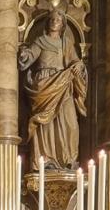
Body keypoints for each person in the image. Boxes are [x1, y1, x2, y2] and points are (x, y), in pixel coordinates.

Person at [17, 9, 87, 168]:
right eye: (52, 19)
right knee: (45, 124)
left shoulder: (66, 43)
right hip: (44, 84)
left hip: (63, 84)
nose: (55, 21)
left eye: (58, 19)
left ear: (62, 24)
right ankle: (45, 159)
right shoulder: (41, 41)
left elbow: (77, 62)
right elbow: (29, 57)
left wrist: (79, 64)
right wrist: (24, 54)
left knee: (70, 123)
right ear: (48, 22)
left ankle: (68, 159)